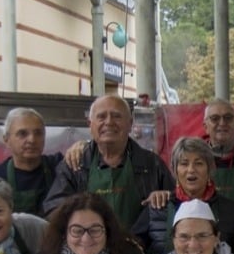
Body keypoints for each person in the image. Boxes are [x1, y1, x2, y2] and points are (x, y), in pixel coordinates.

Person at [43, 95, 173, 228]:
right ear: (90, 125)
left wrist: (166, 197)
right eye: (101, 117)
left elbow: (175, 207)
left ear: (130, 124)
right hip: (87, 245)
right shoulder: (75, 165)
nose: (109, 122)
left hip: (139, 246)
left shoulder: (152, 164)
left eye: (117, 116)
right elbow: (53, 208)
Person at [132, 137, 234, 254]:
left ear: (210, 169)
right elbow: (133, 248)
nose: (191, 170)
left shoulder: (232, 212)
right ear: (175, 170)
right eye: (184, 163)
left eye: (198, 163)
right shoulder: (157, 208)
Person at [0, 107, 61, 217]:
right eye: (22, 134)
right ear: (6, 140)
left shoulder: (59, 167)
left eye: (38, 133)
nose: (32, 140)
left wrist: (81, 146)